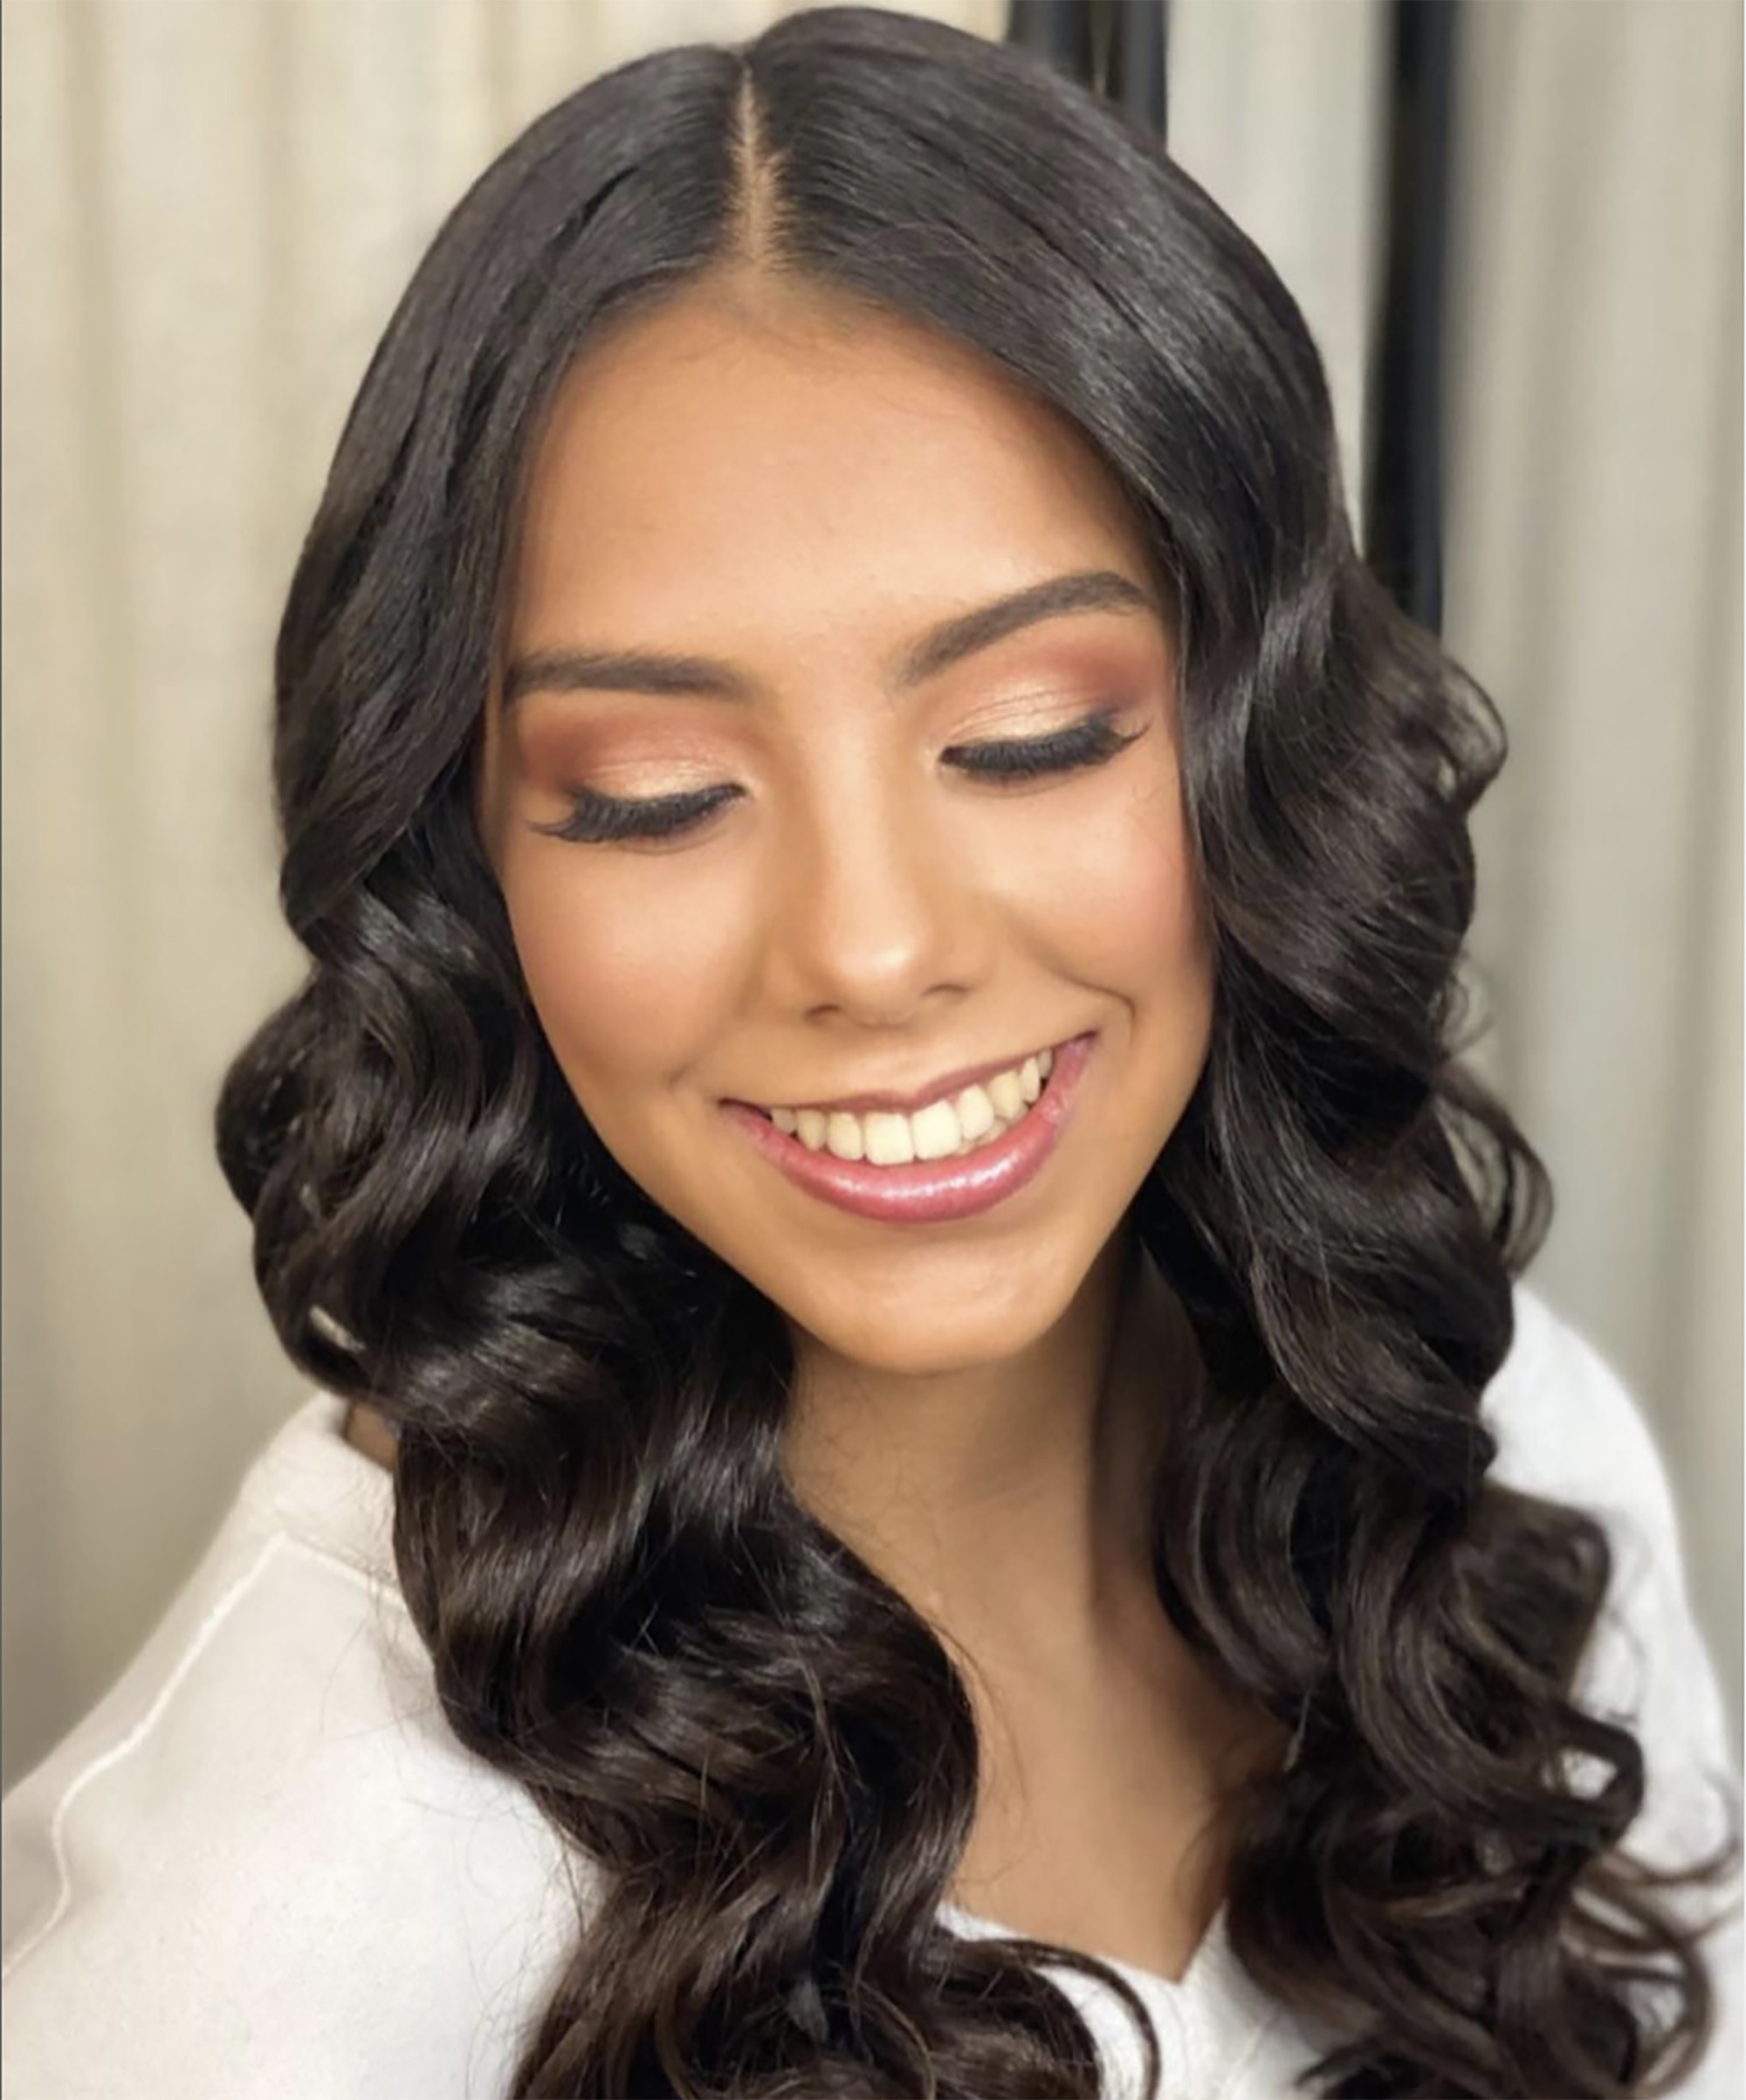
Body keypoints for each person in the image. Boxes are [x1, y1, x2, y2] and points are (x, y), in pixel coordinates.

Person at [3, 8, 1740, 2097]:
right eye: (654, 795)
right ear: (467, 871)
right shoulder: (261, 1944)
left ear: (1265, 748)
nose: (870, 946)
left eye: (1029, 738)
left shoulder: (1500, 1466)